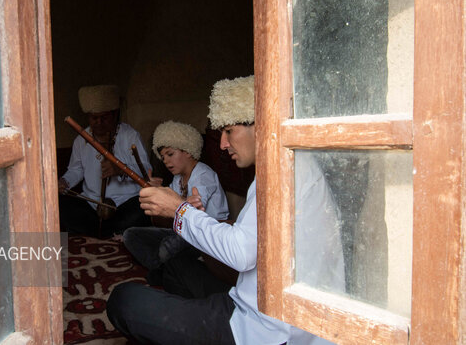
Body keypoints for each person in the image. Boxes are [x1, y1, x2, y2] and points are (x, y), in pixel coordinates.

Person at [106, 76, 342, 344]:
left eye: (229, 131)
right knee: (176, 268)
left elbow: (241, 254)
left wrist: (180, 211)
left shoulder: (281, 172)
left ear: (261, 125)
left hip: (263, 330)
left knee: (124, 299)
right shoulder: (288, 163)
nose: (222, 144)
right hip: (254, 300)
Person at [123, 120, 229, 271]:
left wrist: (166, 198)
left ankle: (164, 268)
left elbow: (194, 208)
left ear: (187, 150)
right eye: (163, 157)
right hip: (182, 231)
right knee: (131, 235)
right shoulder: (177, 178)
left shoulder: (204, 174)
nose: (166, 161)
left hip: (206, 234)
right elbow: (170, 209)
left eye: (170, 154)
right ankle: (162, 268)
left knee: (168, 247)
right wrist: (157, 191)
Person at [59, 84, 152, 238]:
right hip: (92, 205)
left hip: (125, 204)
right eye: (94, 118)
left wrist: (121, 169)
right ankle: (110, 232)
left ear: (115, 114)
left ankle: (102, 231)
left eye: (104, 117)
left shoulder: (130, 136)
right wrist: (64, 182)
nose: (99, 122)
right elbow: (76, 170)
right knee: (60, 205)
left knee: (143, 209)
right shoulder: (81, 139)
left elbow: (147, 170)